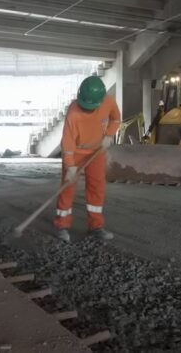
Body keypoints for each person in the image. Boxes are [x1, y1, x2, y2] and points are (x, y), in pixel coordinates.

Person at [55, 75, 121, 243]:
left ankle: (96, 227)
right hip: (76, 151)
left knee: (96, 187)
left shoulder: (108, 102)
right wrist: (70, 166)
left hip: (97, 151)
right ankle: (62, 226)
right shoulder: (73, 111)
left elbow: (116, 118)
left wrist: (110, 134)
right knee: (68, 187)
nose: (87, 109)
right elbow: (68, 141)